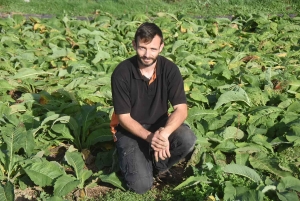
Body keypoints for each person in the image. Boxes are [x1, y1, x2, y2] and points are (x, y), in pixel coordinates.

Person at [110, 22, 197, 194]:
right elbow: (124, 118)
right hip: (130, 132)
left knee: (187, 138)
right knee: (141, 186)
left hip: (159, 125)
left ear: (161, 47)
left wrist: (163, 134)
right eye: (142, 48)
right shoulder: (122, 73)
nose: (147, 55)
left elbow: (181, 109)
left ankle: (159, 165)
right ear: (134, 45)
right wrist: (151, 138)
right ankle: (132, 158)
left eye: (153, 49)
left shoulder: (170, 69)